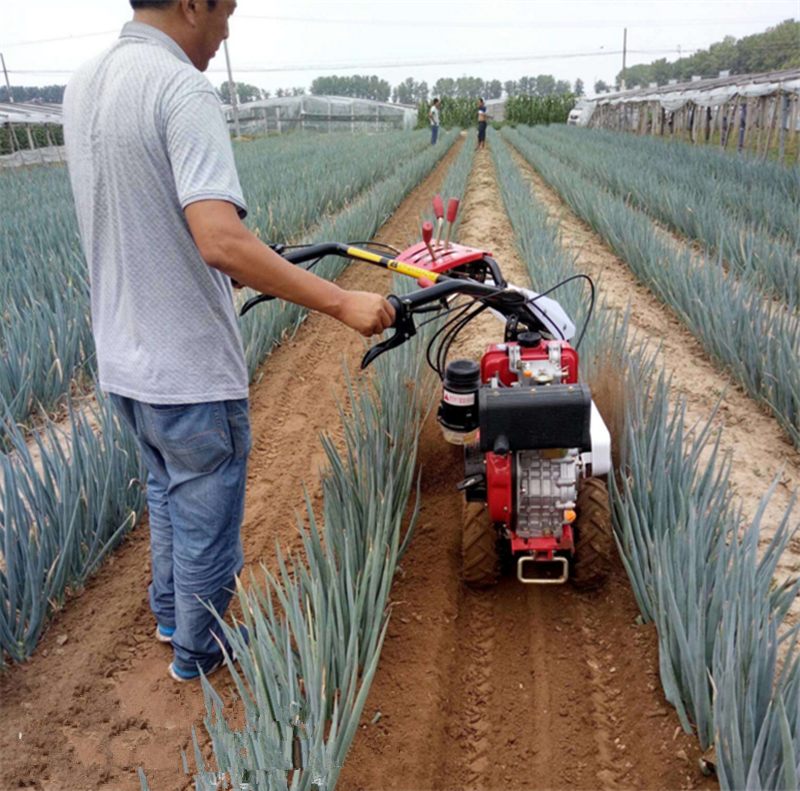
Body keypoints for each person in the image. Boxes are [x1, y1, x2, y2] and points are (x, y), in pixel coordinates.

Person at [63, 0, 395, 683]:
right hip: (186, 367)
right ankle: (201, 653)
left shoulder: (86, 82)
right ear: (191, 4)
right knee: (207, 509)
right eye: (226, 12)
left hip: (124, 361)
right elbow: (219, 239)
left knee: (166, 486)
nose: (225, 31)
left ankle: (168, 614)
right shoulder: (180, 87)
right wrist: (341, 300)